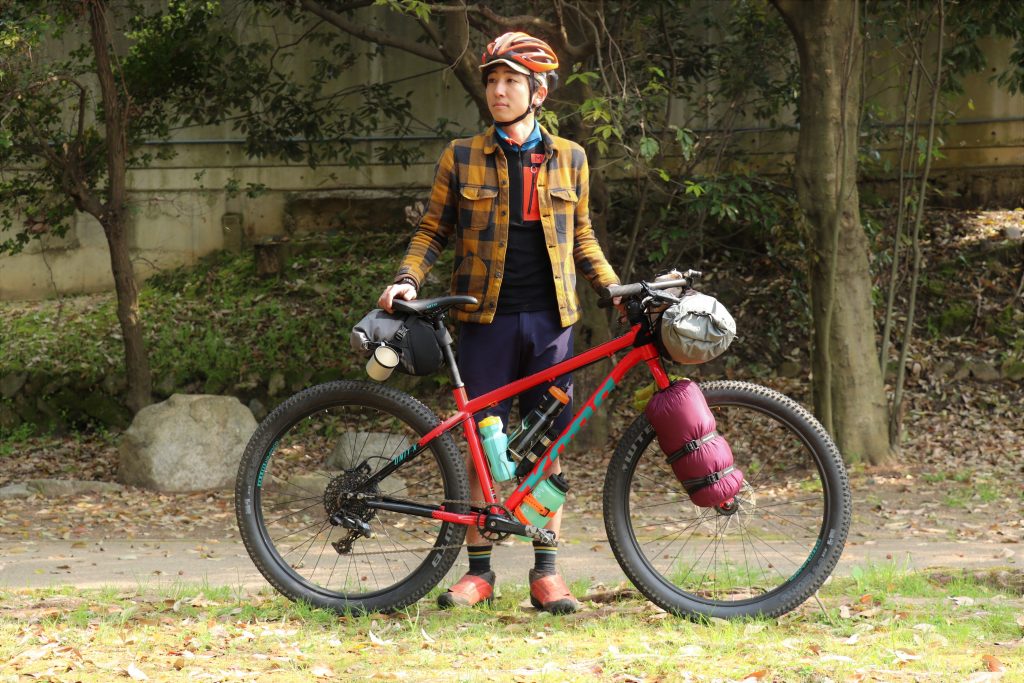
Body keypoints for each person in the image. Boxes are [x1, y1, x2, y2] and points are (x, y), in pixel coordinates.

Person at [377, 31, 620, 615]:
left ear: (539, 92)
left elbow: (583, 236)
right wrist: (408, 278)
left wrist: (612, 289)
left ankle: (546, 573)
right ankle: (479, 573)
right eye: (492, 80)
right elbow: (433, 230)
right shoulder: (461, 155)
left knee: (546, 447)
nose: (499, 90)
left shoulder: (571, 158)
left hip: (553, 323)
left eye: (512, 81)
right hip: (483, 320)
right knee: (482, 445)